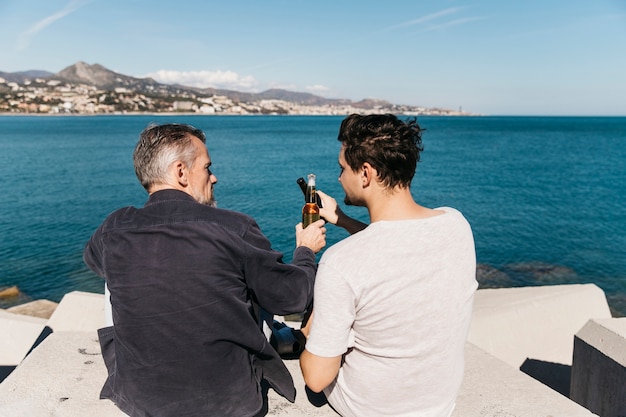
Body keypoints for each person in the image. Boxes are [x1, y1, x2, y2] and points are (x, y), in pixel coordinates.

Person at [83, 123, 326, 417]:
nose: (214, 177)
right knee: (249, 279)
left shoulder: (114, 226)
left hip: (139, 397)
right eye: (207, 168)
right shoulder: (234, 227)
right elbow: (292, 297)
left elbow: (96, 263)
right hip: (227, 400)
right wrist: (305, 251)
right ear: (181, 172)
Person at [299, 114, 477, 417]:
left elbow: (317, 379)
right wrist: (342, 219)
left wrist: (310, 324)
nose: (340, 177)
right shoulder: (457, 224)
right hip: (438, 405)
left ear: (365, 173)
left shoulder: (341, 261)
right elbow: (396, 244)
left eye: (342, 169)